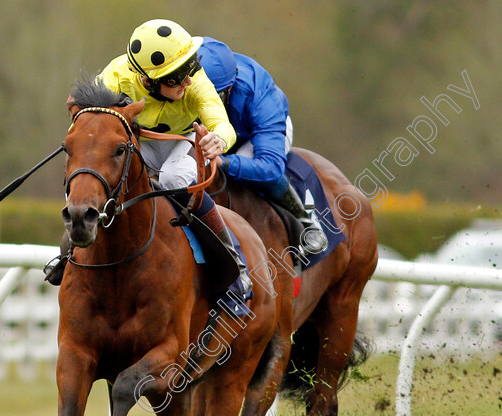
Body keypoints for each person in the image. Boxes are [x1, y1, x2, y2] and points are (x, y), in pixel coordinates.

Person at [46, 19, 251, 297]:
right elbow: (85, 128)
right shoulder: (116, 76)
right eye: (177, 77)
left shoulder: (195, 83)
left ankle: (232, 261)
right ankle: (73, 241)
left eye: (190, 67)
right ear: (147, 81)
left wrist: (218, 139)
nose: (188, 80)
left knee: (174, 178)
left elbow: (222, 125)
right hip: (135, 142)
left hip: (181, 142)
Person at [196, 36, 328, 255]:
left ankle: (306, 223)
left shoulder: (262, 100)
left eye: (212, 97)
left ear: (228, 90)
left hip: (253, 134)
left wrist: (225, 161)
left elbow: (270, 167)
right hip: (220, 129)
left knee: (250, 170)